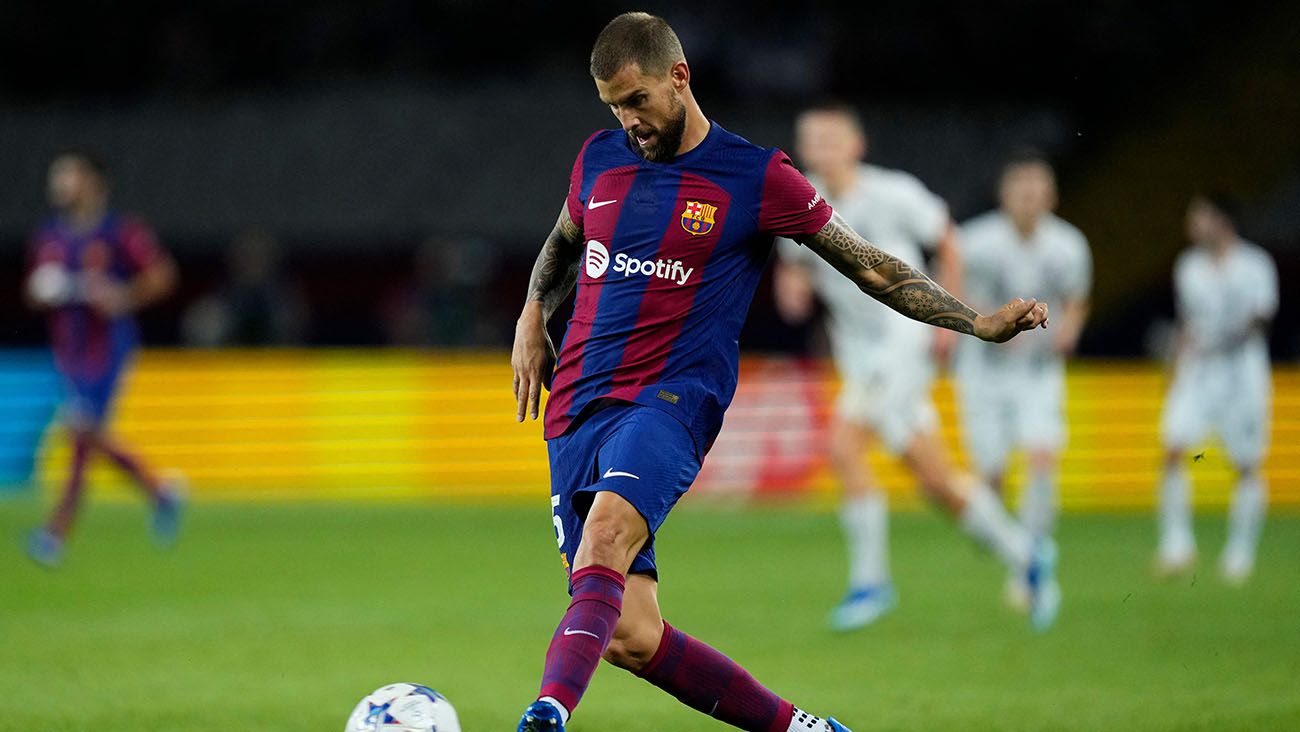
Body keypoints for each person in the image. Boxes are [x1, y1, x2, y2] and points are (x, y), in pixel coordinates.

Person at [510, 13, 1052, 732]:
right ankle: (800, 728)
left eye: (637, 101)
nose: (628, 121)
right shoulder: (599, 159)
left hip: (670, 402)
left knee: (605, 538)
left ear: (680, 78)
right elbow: (564, 243)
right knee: (628, 635)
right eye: (613, 106)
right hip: (576, 408)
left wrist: (975, 322)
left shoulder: (757, 176)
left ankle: (546, 714)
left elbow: (872, 267)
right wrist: (529, 315)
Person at [774, 104, 1051, 632]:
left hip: (904, 338)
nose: (822, 147)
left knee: (844, 445)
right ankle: (1025, 554)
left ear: (857, 143)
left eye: (833, 136)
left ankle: (871, 582)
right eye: (813, 139)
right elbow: (794, 268)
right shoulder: (801, 200)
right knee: (936, 481)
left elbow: (946, 237)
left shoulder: (892, 192)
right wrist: (793, 289)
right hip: (860, 353)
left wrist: (953, 319)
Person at [23, 150, 184, 567]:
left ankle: (55, 534)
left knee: (81, 432)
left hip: (107, 347)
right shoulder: (51, 237)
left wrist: (124, 297)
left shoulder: (120, 232)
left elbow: (163, 274)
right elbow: (35, 290)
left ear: (92, 183)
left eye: (68, 176)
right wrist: (50, 291)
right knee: (86, 434)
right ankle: (160, 492)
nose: (58, 184)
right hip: (69, 350)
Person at [954, 150, 1091, 605]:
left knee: (1041, 458)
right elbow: (949, 285)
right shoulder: (975, 241)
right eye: (1022, 190)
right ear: (1005, 195)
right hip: (984, 371)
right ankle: (1013, 550)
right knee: (990, 476)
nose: (1030, 199)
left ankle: (1031, 564)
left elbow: (1076, 298)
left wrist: (1070, 329)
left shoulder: (1069, 245)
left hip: (1037, 371)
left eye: (1038, 190)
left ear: (1050, 195)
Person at [1154, 193, 1277, 584]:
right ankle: (1177, 545)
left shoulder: (1255, 265)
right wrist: (1176, 365)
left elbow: (1262, 318)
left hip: (1241, 372)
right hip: (1199, 371)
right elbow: (1188, 321)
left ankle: (1240, 554)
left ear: (1222, 222)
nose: (1193, 225)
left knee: (1246, 465)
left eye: (1200, 217)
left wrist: (1228, 334)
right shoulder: (1188, 266)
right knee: (1173, 448)